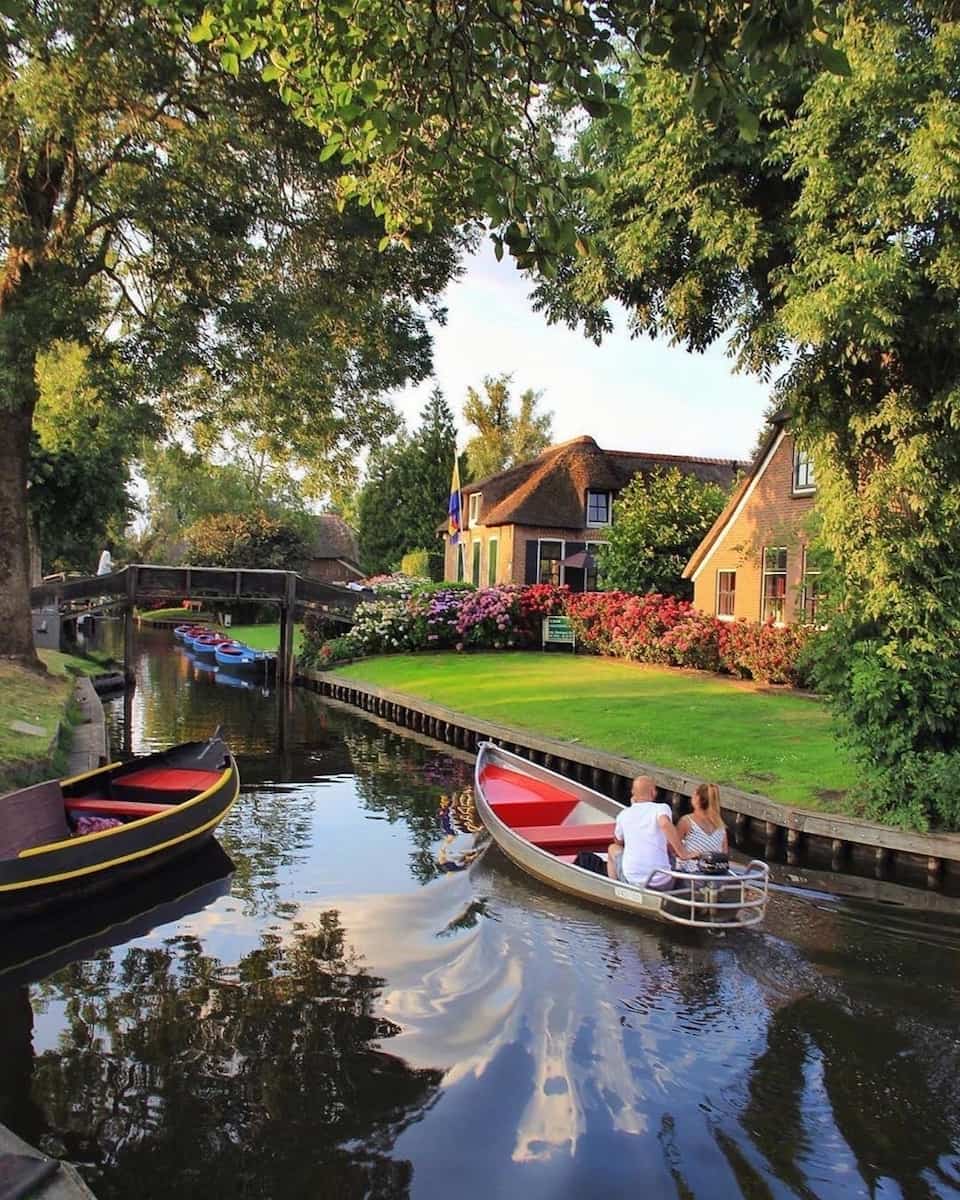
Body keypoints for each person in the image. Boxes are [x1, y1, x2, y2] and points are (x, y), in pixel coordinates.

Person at [606, 775, 692, 890]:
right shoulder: (661, 808)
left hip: (634, 881)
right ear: (653, 792)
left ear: (633, 793)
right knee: (667, 851)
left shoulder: (624, 814)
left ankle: (615, 888)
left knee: (612, 848)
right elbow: (665, 824)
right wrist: (682, 852)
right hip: (664, 882)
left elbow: (618, 841)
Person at [676, 782, 728, 871]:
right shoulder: (721, 827)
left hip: (691, 876)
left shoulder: (687, 821)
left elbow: (674, 849)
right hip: (715, 878)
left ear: (697, 798)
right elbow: (724, 854)